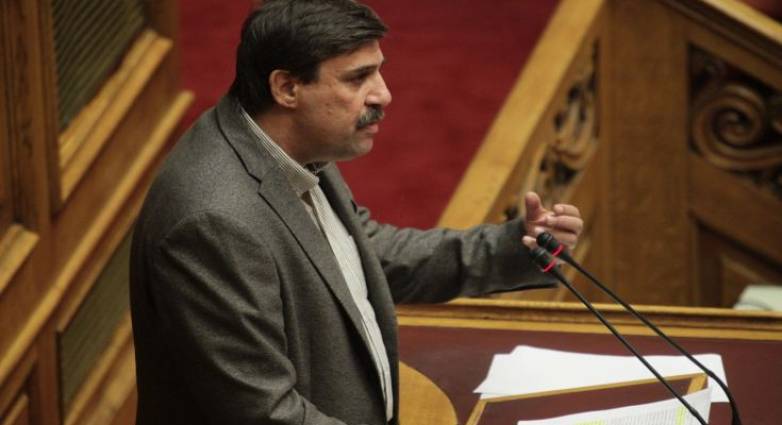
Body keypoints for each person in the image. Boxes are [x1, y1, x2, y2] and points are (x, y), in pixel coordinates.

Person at [129, 1, 583, 424]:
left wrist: (515, 245)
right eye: (357, 79)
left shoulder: (289, 144)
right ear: (287, 88)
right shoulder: (213, 224)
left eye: (378, 72)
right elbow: (267, 413)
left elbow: (366, 256)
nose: (383, 95)